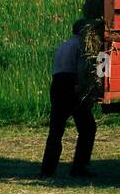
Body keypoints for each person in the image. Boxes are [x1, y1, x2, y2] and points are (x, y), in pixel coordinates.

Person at [40, 23, 97, 179]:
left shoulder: (63, 45)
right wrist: (83, 89)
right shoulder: (81, 45)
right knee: (88, 128)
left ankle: (47, 169)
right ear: (85, 31)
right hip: (72, 84)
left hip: (57, 84)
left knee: (56, 129)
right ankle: (79, 167)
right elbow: (82, 68)